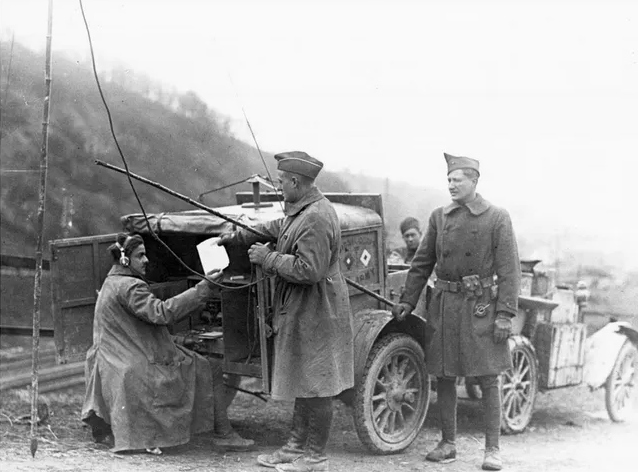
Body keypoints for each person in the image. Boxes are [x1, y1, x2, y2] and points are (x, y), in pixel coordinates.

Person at [218, 151, 354, 472]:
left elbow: (310, 270)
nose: (279, 187)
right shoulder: (302, 210)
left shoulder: (318, 217)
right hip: (305, 308)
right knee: (305, 376)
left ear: (295, 182)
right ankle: (295, 447)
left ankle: (315, 457)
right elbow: (280, 225)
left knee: (318, 383)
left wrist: (268, 258)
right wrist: (239, 236)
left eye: (281, 182)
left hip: (319, 310)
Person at [391, 153, 521, 471]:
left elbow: (509, 270)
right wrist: (408, 300)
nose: (450, 185)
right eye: (448, 180)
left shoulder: (497, 217)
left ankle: (492, 449)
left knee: (489, 376)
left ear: (474, 181)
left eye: (457, 180)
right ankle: (448, 443)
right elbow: (422, 263)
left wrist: (505, 313)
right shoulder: (439, 217)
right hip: (445, 305)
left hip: (481, 307)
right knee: (445, 376)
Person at [81, 233, 254, 454]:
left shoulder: (111, 282)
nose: (146, 261)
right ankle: (224, 434)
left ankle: (215, 429)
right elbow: (162, 313)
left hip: (116, 358)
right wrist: (204, 288)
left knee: (192, 358)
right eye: (140, 256)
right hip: (136, 362)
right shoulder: (131, 286)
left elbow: (136, 329)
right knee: (211, 366)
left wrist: (179, 340)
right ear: (125, 260)